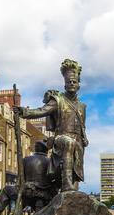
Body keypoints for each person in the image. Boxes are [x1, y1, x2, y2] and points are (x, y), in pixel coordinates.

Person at [15, 59, 88, 192]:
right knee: (69, 142)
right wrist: (24, 112)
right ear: (64, 85)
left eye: (74, 82)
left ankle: (72, 192)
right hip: (61, 139)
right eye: (68, 82)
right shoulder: (58, 100)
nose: (71, 83)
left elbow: (82, 127)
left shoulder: (82, 107)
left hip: (78, 142)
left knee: (76, 173)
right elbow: (41, 111)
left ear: (78, 85)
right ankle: (66, 185)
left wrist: (84, 140)